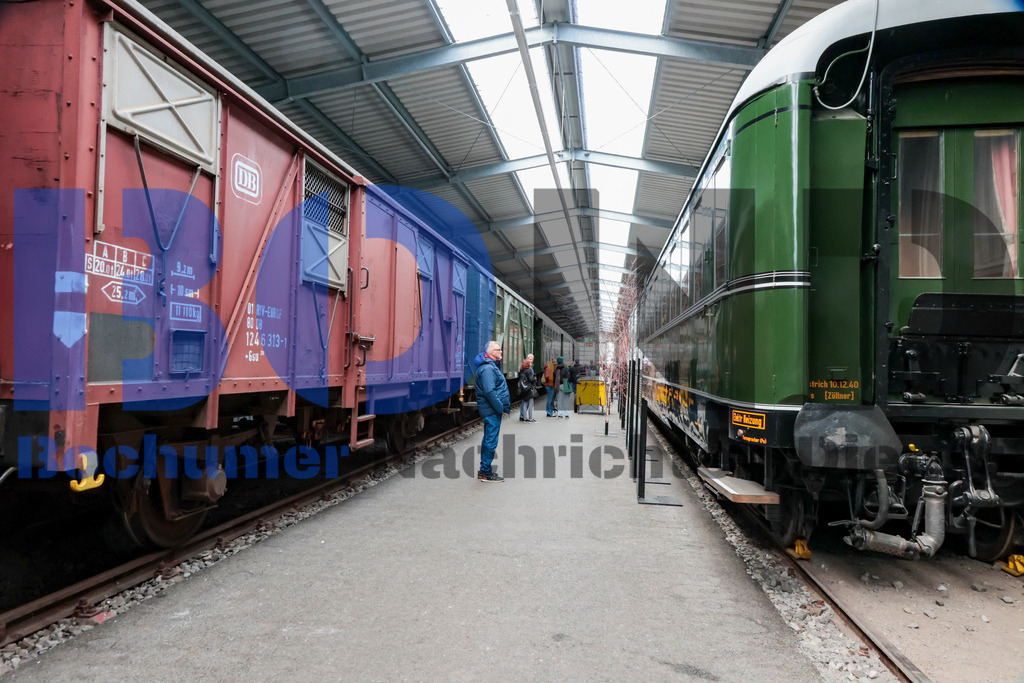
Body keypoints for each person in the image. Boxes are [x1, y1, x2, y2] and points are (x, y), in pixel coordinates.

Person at [472, 341, 510, 482]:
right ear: (491, 353)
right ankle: (485, 472)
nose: (501, 351)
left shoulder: (489, 367)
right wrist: (500, 407)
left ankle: (485, 470)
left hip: (491, 409)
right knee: (490, 440)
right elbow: (489, 391)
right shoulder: (488, 369)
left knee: (490, 439)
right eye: (498, 349)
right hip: (491, 410)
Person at [518, 355, 537, 422]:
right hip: (529, 388)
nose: (531, 361)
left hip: (524, 388)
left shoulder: (521, 370)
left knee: (525, 402)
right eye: (530, 359)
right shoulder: (529, 370)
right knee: (530, 403)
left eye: (532, 359)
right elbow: (531, 379)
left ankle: (524, 417)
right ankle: (530, 418)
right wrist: (534, 378)